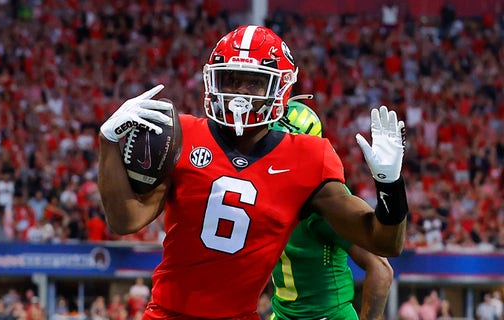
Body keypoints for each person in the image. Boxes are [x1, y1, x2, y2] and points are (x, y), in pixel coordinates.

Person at [98, 25, 408, 319]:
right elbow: (126, 220)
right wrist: (108, 143)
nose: (239, 93)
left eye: (253, 82)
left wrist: (390, 185)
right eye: (231, 79)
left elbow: (384, 245)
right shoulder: (183, 135)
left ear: (281, 86)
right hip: (167, 313)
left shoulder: (310, 157)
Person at [268, 101, 393, 320]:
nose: (270, 152)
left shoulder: (322, 198)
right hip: (282, 314)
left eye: (281, 147)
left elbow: (381, 268)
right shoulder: (264, 188)